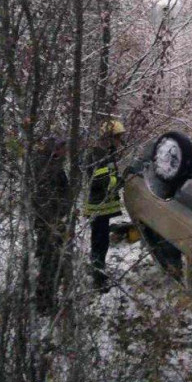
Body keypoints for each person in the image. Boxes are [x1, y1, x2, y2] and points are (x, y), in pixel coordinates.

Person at [84, 119, 126, 292]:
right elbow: (100, 180)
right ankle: (98, 278)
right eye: (118, 137)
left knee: (101, 241)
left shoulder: (106, 152)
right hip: (98, 206)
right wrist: (119, 181)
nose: (120, 141)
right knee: (99, 242)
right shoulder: (98, 154)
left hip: (103, 206)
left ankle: (99, 271)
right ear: (109, 137)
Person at [31, 136, 70, 314]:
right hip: (48, 224)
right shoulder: (45, 167)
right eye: (62, 148)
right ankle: (45, 304)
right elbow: (42, 198)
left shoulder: (53, 165)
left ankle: (50, 301)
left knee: (55, 263)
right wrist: (52, 221)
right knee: (49, 263)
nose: (65, 152)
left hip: (55, 222)